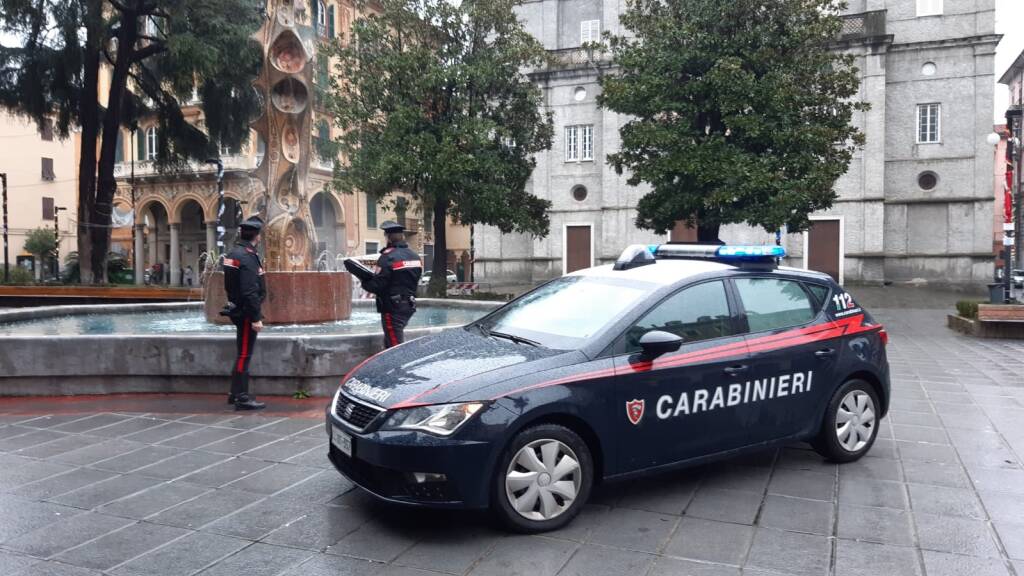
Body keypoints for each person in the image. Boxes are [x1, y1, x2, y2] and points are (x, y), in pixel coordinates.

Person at [222, 216, 268, 411]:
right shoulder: (247, 257)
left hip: (237, 308)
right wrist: (256, 317)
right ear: (257, 235)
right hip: (247, 312)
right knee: (244, 354)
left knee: (242, 352)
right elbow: (249, 290)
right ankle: (241, 397)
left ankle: (234, 394)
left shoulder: (233, 253)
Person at [362, 221, 422, 348]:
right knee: (391, 340)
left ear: (388, 237)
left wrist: (365, 281)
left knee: (395, 347)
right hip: (409, 306)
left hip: (392, 308)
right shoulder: (415, 256)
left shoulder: (387, 257)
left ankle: (399, 368)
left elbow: (378, 285)